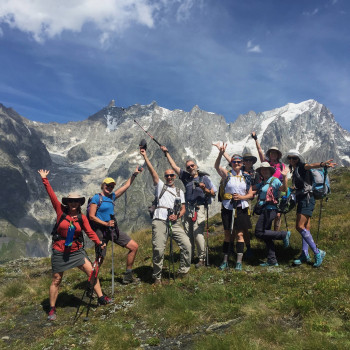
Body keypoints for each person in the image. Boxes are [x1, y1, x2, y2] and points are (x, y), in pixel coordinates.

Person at [38, 169, 110, 322]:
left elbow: (90, 232)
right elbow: (51, 196)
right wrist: (45, 180)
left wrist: (99, 242)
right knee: (57, 279)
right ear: (67, 202)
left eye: (76, 201)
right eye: (71, 201)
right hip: (59, 251)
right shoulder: (60, 211)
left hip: (77, 251)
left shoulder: (82, 218)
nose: (73, 203)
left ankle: (101, 298)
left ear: (80, 203)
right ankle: (52, 308)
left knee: (92, 273)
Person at [140, 148, 191, 284]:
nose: (169, 177)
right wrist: (145, 157)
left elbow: (184, 209)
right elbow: (153, 172)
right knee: (158, 249)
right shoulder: (160, 186)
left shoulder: (180, 192)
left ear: (175, 177)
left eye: (171, 176)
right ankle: (157, 276)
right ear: (164, 177)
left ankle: (183, 271)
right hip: (159, 220)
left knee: (187, 244)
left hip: (175, 222)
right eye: (167, 176)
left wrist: (177, 216)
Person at [160, 146, 217, 268]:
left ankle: (202, 258)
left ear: (196, 166)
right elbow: (174, 167)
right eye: (188, 167)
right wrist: (167, 153)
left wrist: (204, 189)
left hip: (199, 209)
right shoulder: (186, 177)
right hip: (187, 209)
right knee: (188, 234)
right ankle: (189, 257)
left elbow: (213, 193)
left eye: (192, 166)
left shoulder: (204, 178)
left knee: (198, 234)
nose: (190, 168)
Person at [88, 168, 142, 285]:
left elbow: (126, 186)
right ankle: (91, 284)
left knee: (134, 246)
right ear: (103, 185)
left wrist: (134, 174)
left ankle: (128, 275)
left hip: (112, 229)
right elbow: (91, 216)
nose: (110, 187)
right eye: (108, 185)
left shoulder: (112, 196)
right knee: (100, 258)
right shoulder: (96, 198)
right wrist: (105, 223)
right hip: (100, 231)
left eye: (112, 186)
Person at [283, 150, 336, 267]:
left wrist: (322, 164)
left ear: (298, 159)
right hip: (304, 198)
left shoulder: (302, 166)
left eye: (294, 158)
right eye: (289, 158)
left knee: (299, 226)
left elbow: (311, 165)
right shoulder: (296, 169)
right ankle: (304, 254)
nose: (291, 160)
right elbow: (300, 184)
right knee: (306, 227)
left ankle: (317, 252)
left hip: (306, 199)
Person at [214, 143, 254, 271]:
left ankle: (238, 262)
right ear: (231, 163)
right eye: (234, 162)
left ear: (242, 163)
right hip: (228, 207)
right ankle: (225, 260)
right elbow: (216, 166)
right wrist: (221, 153)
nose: (236, 163)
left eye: (238, 162)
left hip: (241, 207)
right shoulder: (227, 175)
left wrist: (241, 197)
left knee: (240, 235)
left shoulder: (247, 177)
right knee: (227, 234)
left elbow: (251, 193)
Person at [252, 162, 290, 266]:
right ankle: (272, 260)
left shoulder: (275, 180)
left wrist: (285, 176)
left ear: (270, 171)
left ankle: (283, 235)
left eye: (266, 169)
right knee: (266, 235)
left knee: (259, 232)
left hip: (271, 210)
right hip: (265, 210)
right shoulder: (263, 182)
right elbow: (253, 188)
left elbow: (284, 189)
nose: (264, 171)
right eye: (262, 170)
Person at [251, 132, 286, 231]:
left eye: (275, 153)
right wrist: (256, 139)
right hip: (268, 190)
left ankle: (275, 233)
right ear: (269, 154)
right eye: (271, 153)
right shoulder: (266, 163)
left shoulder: (281, 165)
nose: (273, 155)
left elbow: (283, 178)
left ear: (278, 155)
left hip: (277, 189)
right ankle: (269, 232)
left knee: (278, 215)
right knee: (267, 212)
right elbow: (259, 151)